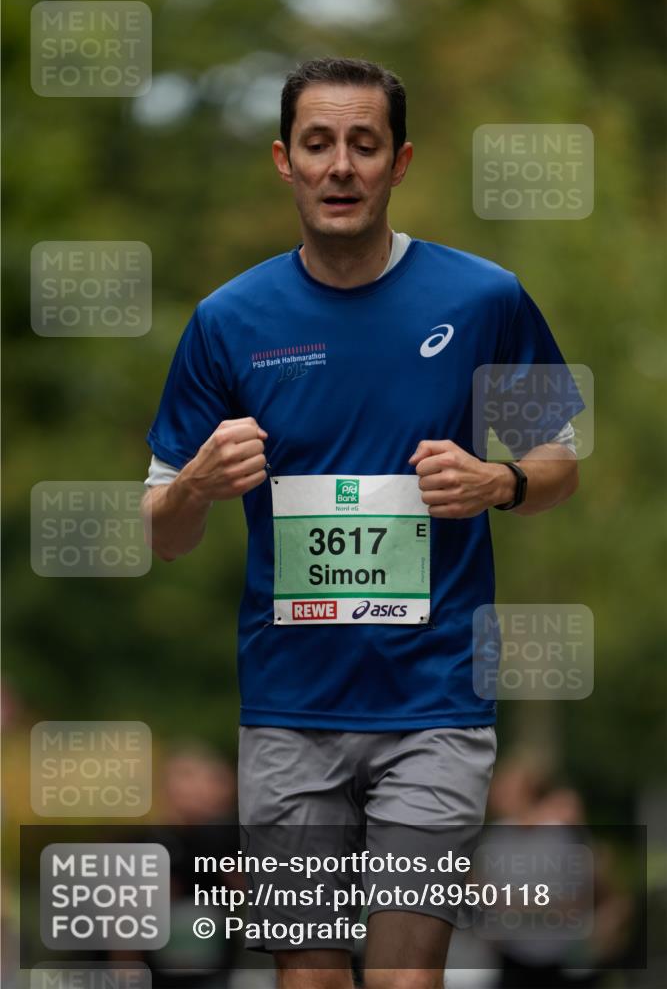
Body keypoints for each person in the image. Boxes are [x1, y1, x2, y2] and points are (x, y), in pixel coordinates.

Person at [142, 57, 583, 989]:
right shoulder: (226, 320)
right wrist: (195, 486)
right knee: (308, 979)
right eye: (317, 144)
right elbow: (160, 530)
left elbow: (561, 464)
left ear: (399, 161)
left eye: (363, 144)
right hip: (288, 711)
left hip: (433, 706)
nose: (340, 166)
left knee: (404, 978)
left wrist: (496, 480)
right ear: (284, 161)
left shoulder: (485, 298)